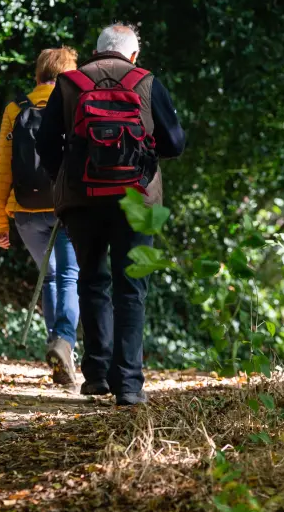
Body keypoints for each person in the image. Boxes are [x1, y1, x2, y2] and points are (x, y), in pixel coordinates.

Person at [36, 24, 185, 405]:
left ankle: (97, 375)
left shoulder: (70, 83)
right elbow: (175, 142)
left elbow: (47, 144)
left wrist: (64, 178)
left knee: (91, 280)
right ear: (132, 55)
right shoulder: (147, 81)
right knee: (131, 288)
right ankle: (130, 385)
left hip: (82, 199)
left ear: (97, 51)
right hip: (139, 201)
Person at [0, 47, 80, 387]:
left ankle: (58, 350)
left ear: (38, 74)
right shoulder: (74, 104)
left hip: (26, 213)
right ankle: (64, 342)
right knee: (70, 277)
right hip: (65, 209)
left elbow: (2, 170)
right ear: (69, 74)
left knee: (51, 277)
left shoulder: (16, 109)